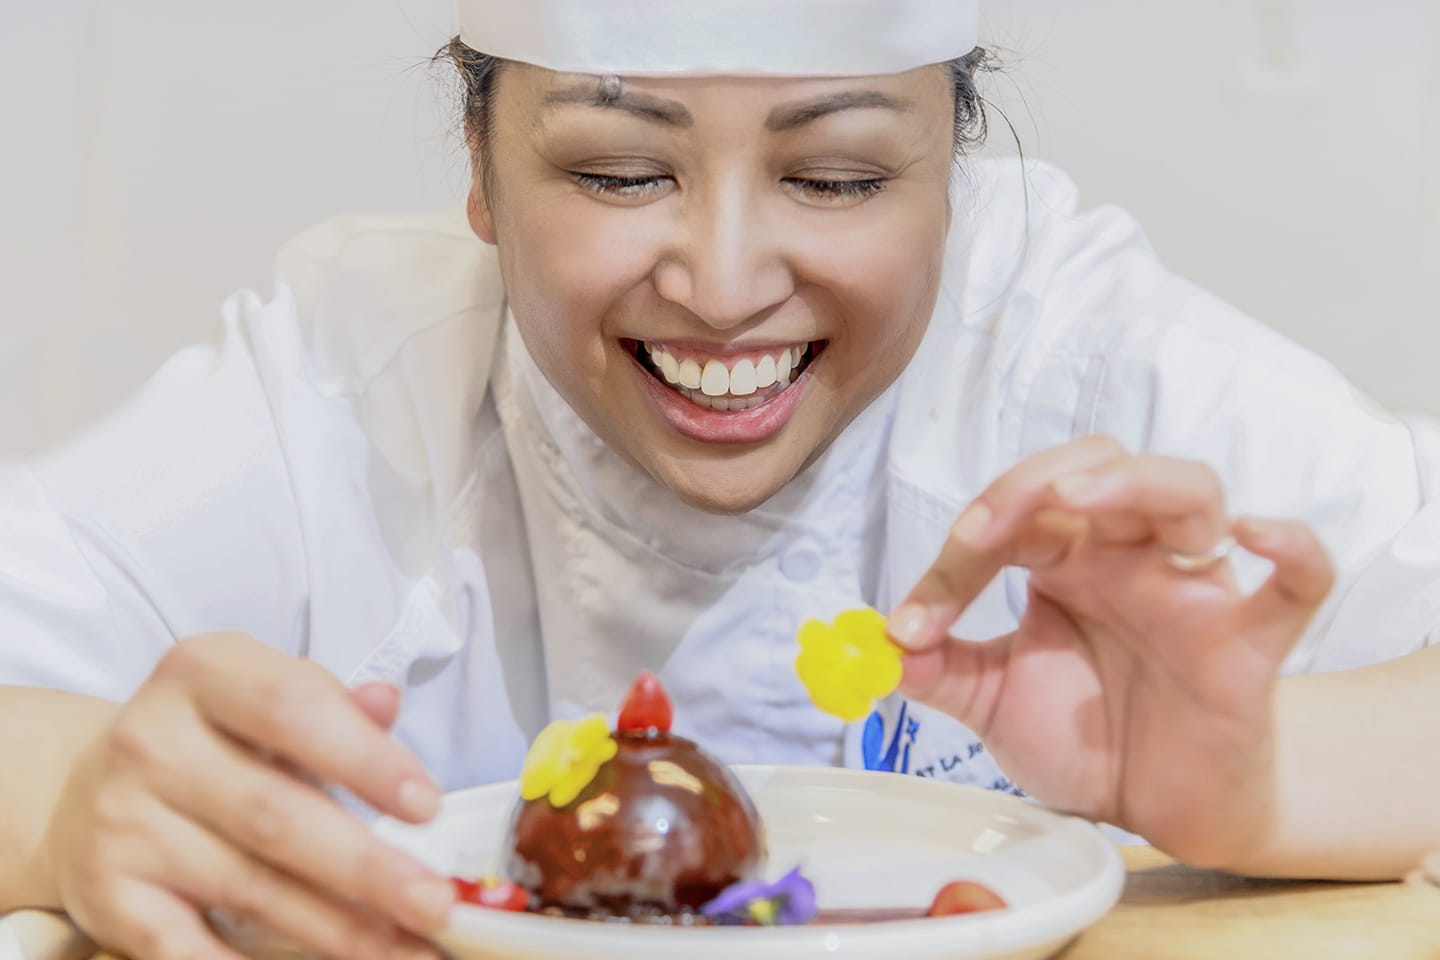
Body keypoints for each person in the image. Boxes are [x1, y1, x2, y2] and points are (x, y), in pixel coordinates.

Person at [2, 1, 1438, 957]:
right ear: (481, 174)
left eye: (838, 178)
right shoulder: (343, 380)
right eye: (622, 174)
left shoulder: (1074, 357)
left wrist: (1256, 776)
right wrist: (76, 802)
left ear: (957, 172)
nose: (728, 284)